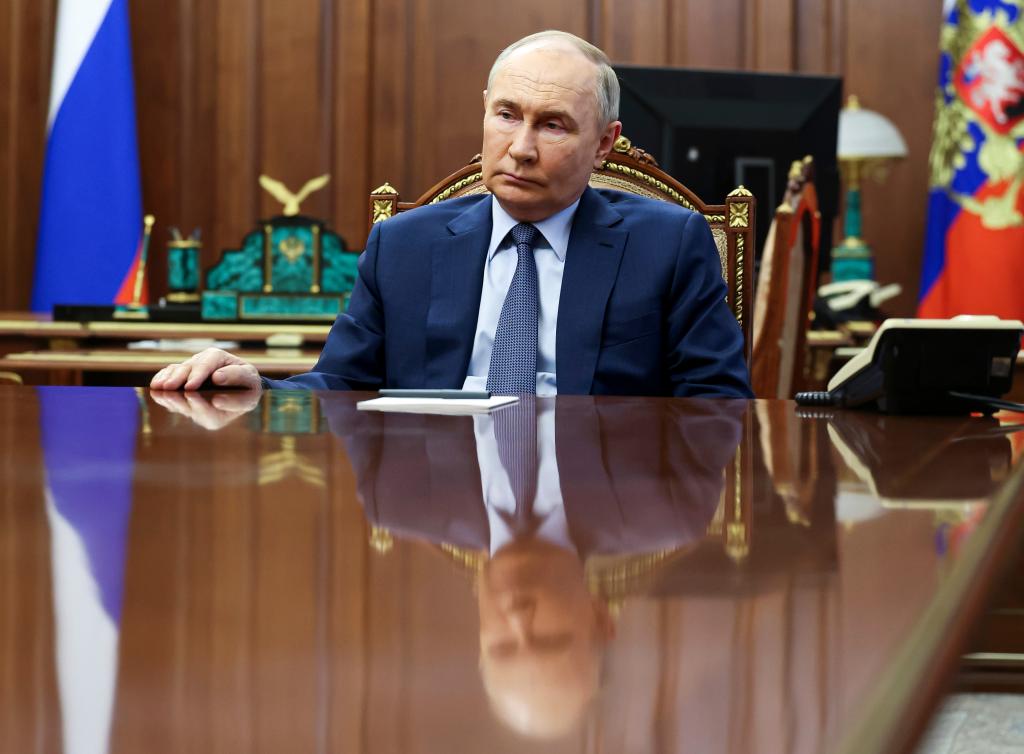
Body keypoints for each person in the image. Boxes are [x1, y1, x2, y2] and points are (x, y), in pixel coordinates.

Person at [150, 30, 752, 398]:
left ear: (604, 143)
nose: (520, 147)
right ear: (484, 113)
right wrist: (259, 389)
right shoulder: (401, 246)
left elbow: (717, 403)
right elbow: (340, 385)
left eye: (553, 125)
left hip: (597, 507)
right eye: (507, 115)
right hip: (441, 502)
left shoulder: (668, 243)